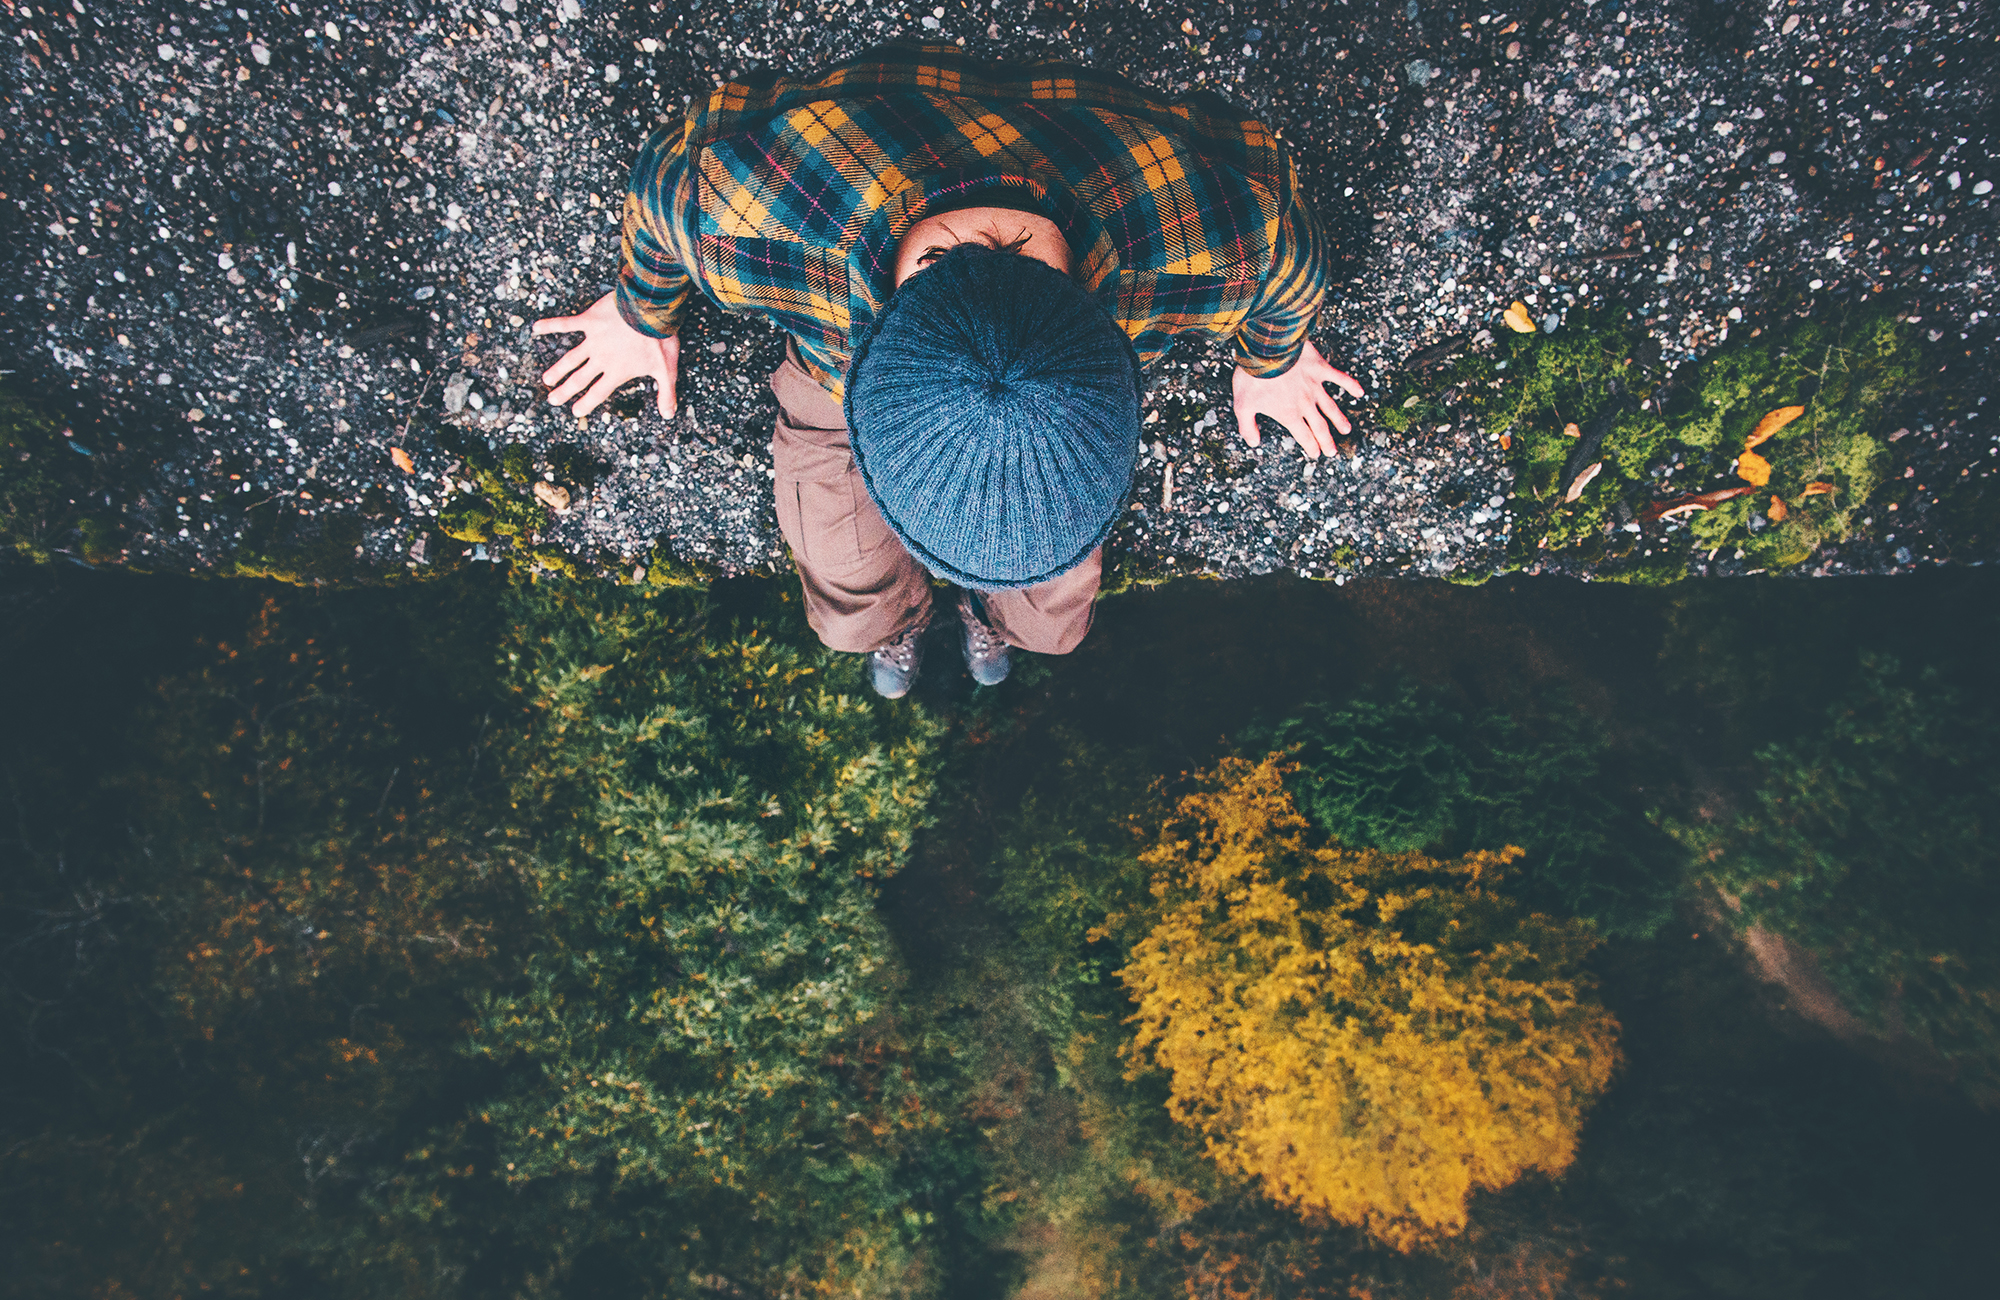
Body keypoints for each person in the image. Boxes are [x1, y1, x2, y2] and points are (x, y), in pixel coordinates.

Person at [535, 43, 1364, 699]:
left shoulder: (1232, 234)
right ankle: (910, 620)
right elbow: (667, 186)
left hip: (917, 167)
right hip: (865, 313)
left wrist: (1275, 359)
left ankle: (991, 616)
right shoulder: (751, 211)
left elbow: (1291, 262)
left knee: (1051, 629)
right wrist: (639, 312)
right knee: (850, 617)